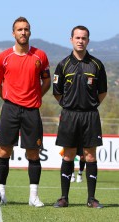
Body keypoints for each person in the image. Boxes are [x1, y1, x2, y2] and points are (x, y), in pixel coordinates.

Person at [0, 17, 51, 207]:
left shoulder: (40, 56)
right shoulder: (3, 57)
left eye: (26, 29)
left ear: (30, 32)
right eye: (19, 29)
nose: (23, 32)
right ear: (13, 33)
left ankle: (33, 196)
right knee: (4, 150)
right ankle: (1, 193)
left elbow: (47, 81)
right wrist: (9, 99)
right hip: (10, 109)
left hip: (32, 110)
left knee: (33, 153)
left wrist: (35, 97)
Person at [53, 25, 107, 208]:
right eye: (77, 37)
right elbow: (57, 92)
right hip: (69, 115)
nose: (80, 41)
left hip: (90, 116)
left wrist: (88, 105)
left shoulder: (97, 65)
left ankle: (91, 199)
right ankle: (64, 198)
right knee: (68, 156)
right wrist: (70, 107)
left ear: (88, 41)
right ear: (71, 40)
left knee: (90, 156)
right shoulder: (62, 65)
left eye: (84, 38)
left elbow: (102, 92)